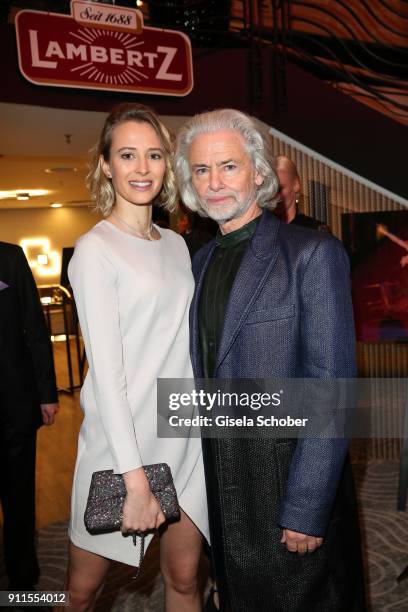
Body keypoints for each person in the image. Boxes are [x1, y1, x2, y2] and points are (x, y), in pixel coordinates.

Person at [174, 109, 366, 611]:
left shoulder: (312, 253)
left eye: (228, 166)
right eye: (201, 170)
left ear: (258, 172)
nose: (214, 183)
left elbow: (333, 388)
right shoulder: (198, 263)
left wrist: (306, 507)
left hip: (287, 478)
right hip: (224, 480)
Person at [64, 103, 209, 612]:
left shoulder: (175, 244)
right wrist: (136, 481)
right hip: (122, 452)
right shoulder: (95, 250)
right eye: (128, 155)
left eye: (153, 155)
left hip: (184, 438)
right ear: (106, 165)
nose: (142, 168)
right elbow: (108, 377)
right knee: (81, 594)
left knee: (186, 580)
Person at [0, 242, 59, 591]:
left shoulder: (9, 257)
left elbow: (34, 326)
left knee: (19, 498)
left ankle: (24, 582)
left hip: (14, 405)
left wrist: (47, 392)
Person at [273, 154, 330, 231]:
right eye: (270, 189)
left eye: (279, 189)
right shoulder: (260, 229)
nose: (273, 195)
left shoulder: (315, 231)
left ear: (296, 185)